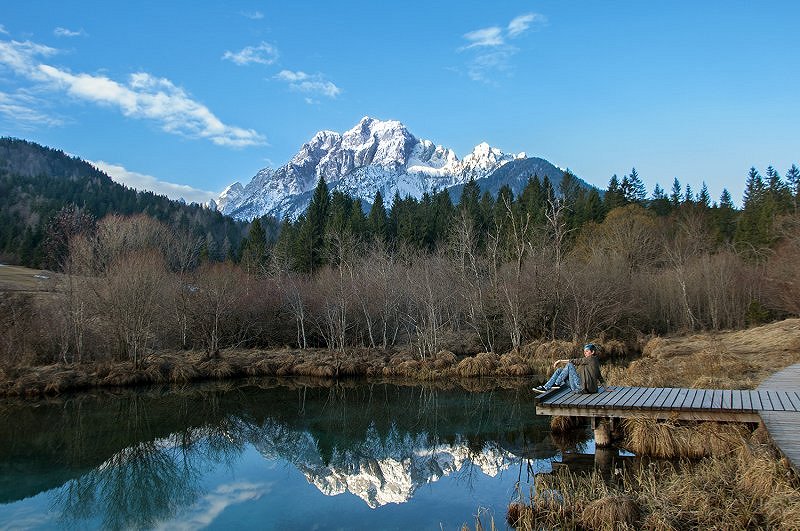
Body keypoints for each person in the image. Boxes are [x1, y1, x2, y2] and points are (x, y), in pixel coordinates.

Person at [533, 343, 607, 394]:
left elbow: (576, 361)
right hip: (581, 388)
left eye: (587, 351)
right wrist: (606, 388)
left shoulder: (591, 359)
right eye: (584, 351)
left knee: (570, 365)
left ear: (593, 352)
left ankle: (557, 383)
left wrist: (560, 361)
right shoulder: (593, 362)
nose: (585, 353)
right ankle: (546, 387)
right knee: (559, 370)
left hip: (582, 389)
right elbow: (599, 376)